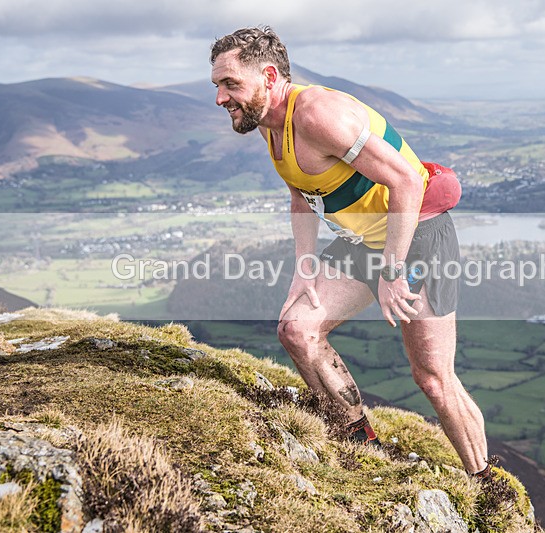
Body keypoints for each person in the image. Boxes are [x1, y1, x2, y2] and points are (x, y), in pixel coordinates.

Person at [210, 26, 491, 480]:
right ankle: (359, 444)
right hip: (366, 241)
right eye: (218, 86)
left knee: (433, 378)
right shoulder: (268, 123)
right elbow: (301, 194)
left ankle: (486, 484)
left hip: (416, 234)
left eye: (230, 84)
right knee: (297, 330)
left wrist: (392, 270)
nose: (221, 98)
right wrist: (305, 267)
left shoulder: (318, 114)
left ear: (267, 75)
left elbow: (406, 181)